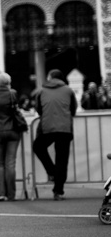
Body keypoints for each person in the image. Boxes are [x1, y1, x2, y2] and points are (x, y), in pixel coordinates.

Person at [32, 69, 77, 201]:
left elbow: (38, 109)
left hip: (47, 127)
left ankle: (51, 171)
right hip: (65, 128)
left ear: (50, 77)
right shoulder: (69, 91)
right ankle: (58, 191)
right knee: (62, 159)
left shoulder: (41, 91)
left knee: (38, 147)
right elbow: (73, 109)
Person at [0, 72, 22, 202]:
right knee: (10, 163)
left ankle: (0, 194)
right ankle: (11, 195)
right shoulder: (12, 93)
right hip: (12, 130)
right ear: (8, 82)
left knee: (0, 164)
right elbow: (16, 110)